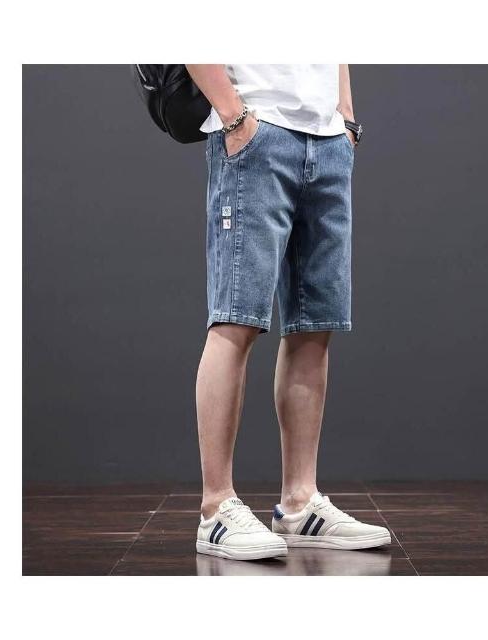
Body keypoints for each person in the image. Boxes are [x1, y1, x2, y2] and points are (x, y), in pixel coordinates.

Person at [185, 65, 389, 561]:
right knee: (235, 318)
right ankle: (216, 508)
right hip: (257, 132)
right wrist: (235, 117)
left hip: (328, 139)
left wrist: (345, 119)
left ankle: (300, 503)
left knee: (314, 325)